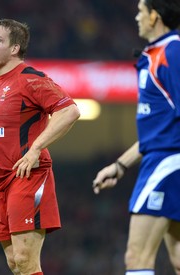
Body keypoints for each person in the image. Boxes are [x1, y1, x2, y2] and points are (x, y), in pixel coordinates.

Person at [0, 19, 80, 275]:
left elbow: (69, 111)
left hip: (25, 176)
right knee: (14, 262)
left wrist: (36, 148)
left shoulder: (29, 78)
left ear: (15, 48)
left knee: (24, 259)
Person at [92, 1, 180, 274]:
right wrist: (120, 166)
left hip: (167, 163)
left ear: (154, 16)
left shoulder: (173, 52)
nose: (136, 17)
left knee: (137, 257)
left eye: (141, 11)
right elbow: (157, 132)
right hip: (163, 159)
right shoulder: (155, 54)